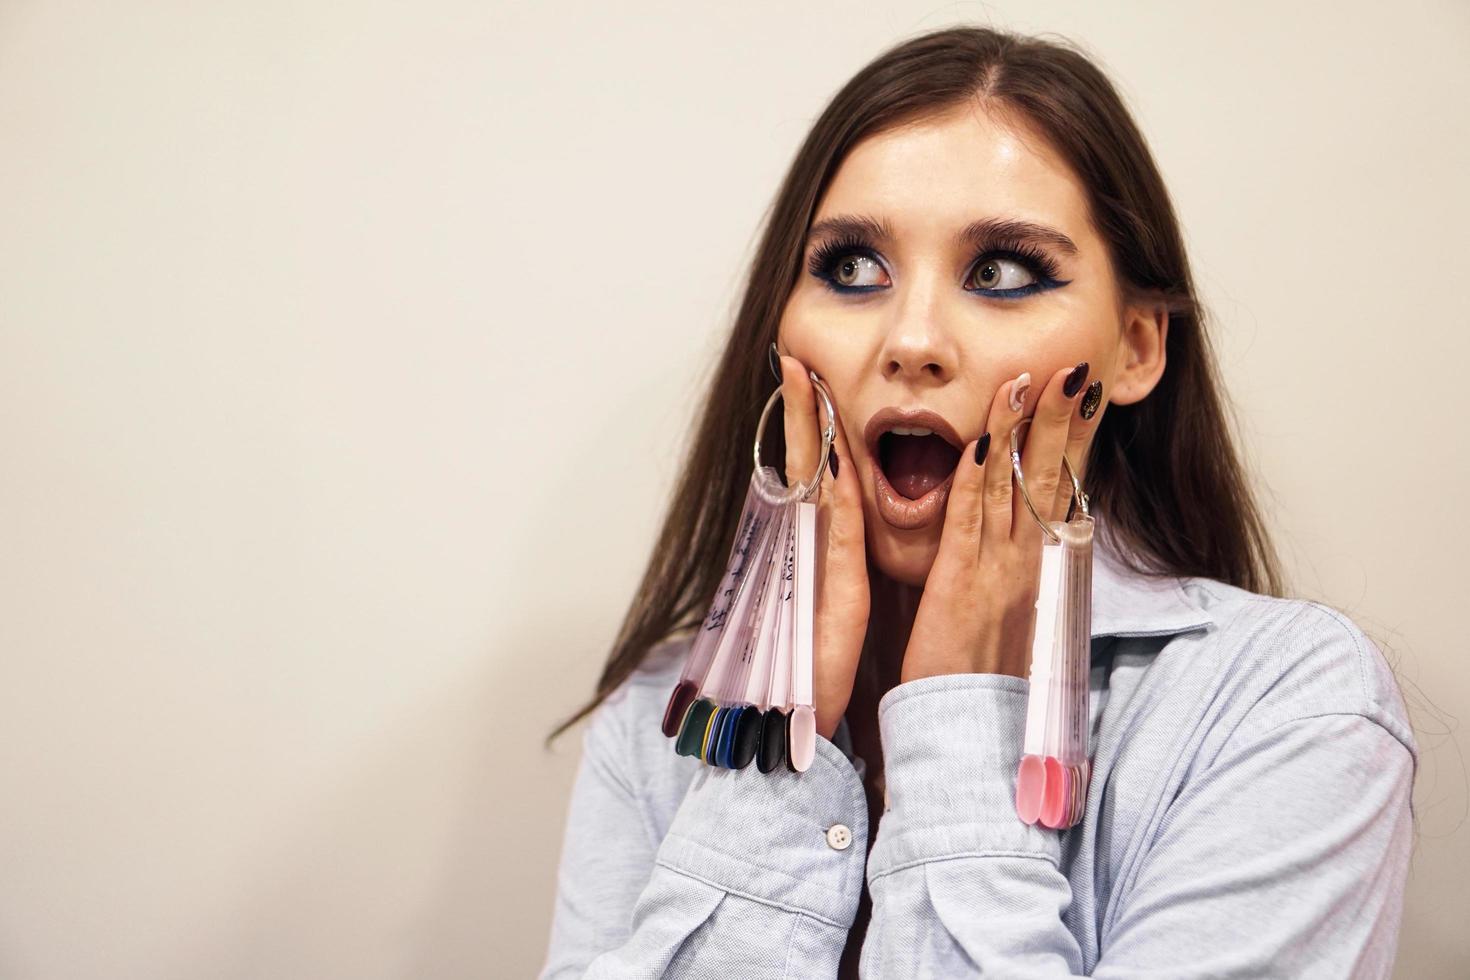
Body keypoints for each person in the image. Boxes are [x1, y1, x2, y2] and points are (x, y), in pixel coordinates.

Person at [537, 25, 1415, 979]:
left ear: (1135, 349)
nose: (913, 340)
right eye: (851, 270)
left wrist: (957, 715)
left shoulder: (1289, 710)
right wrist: (764, 779)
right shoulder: (658, 724)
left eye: (1001, 273)